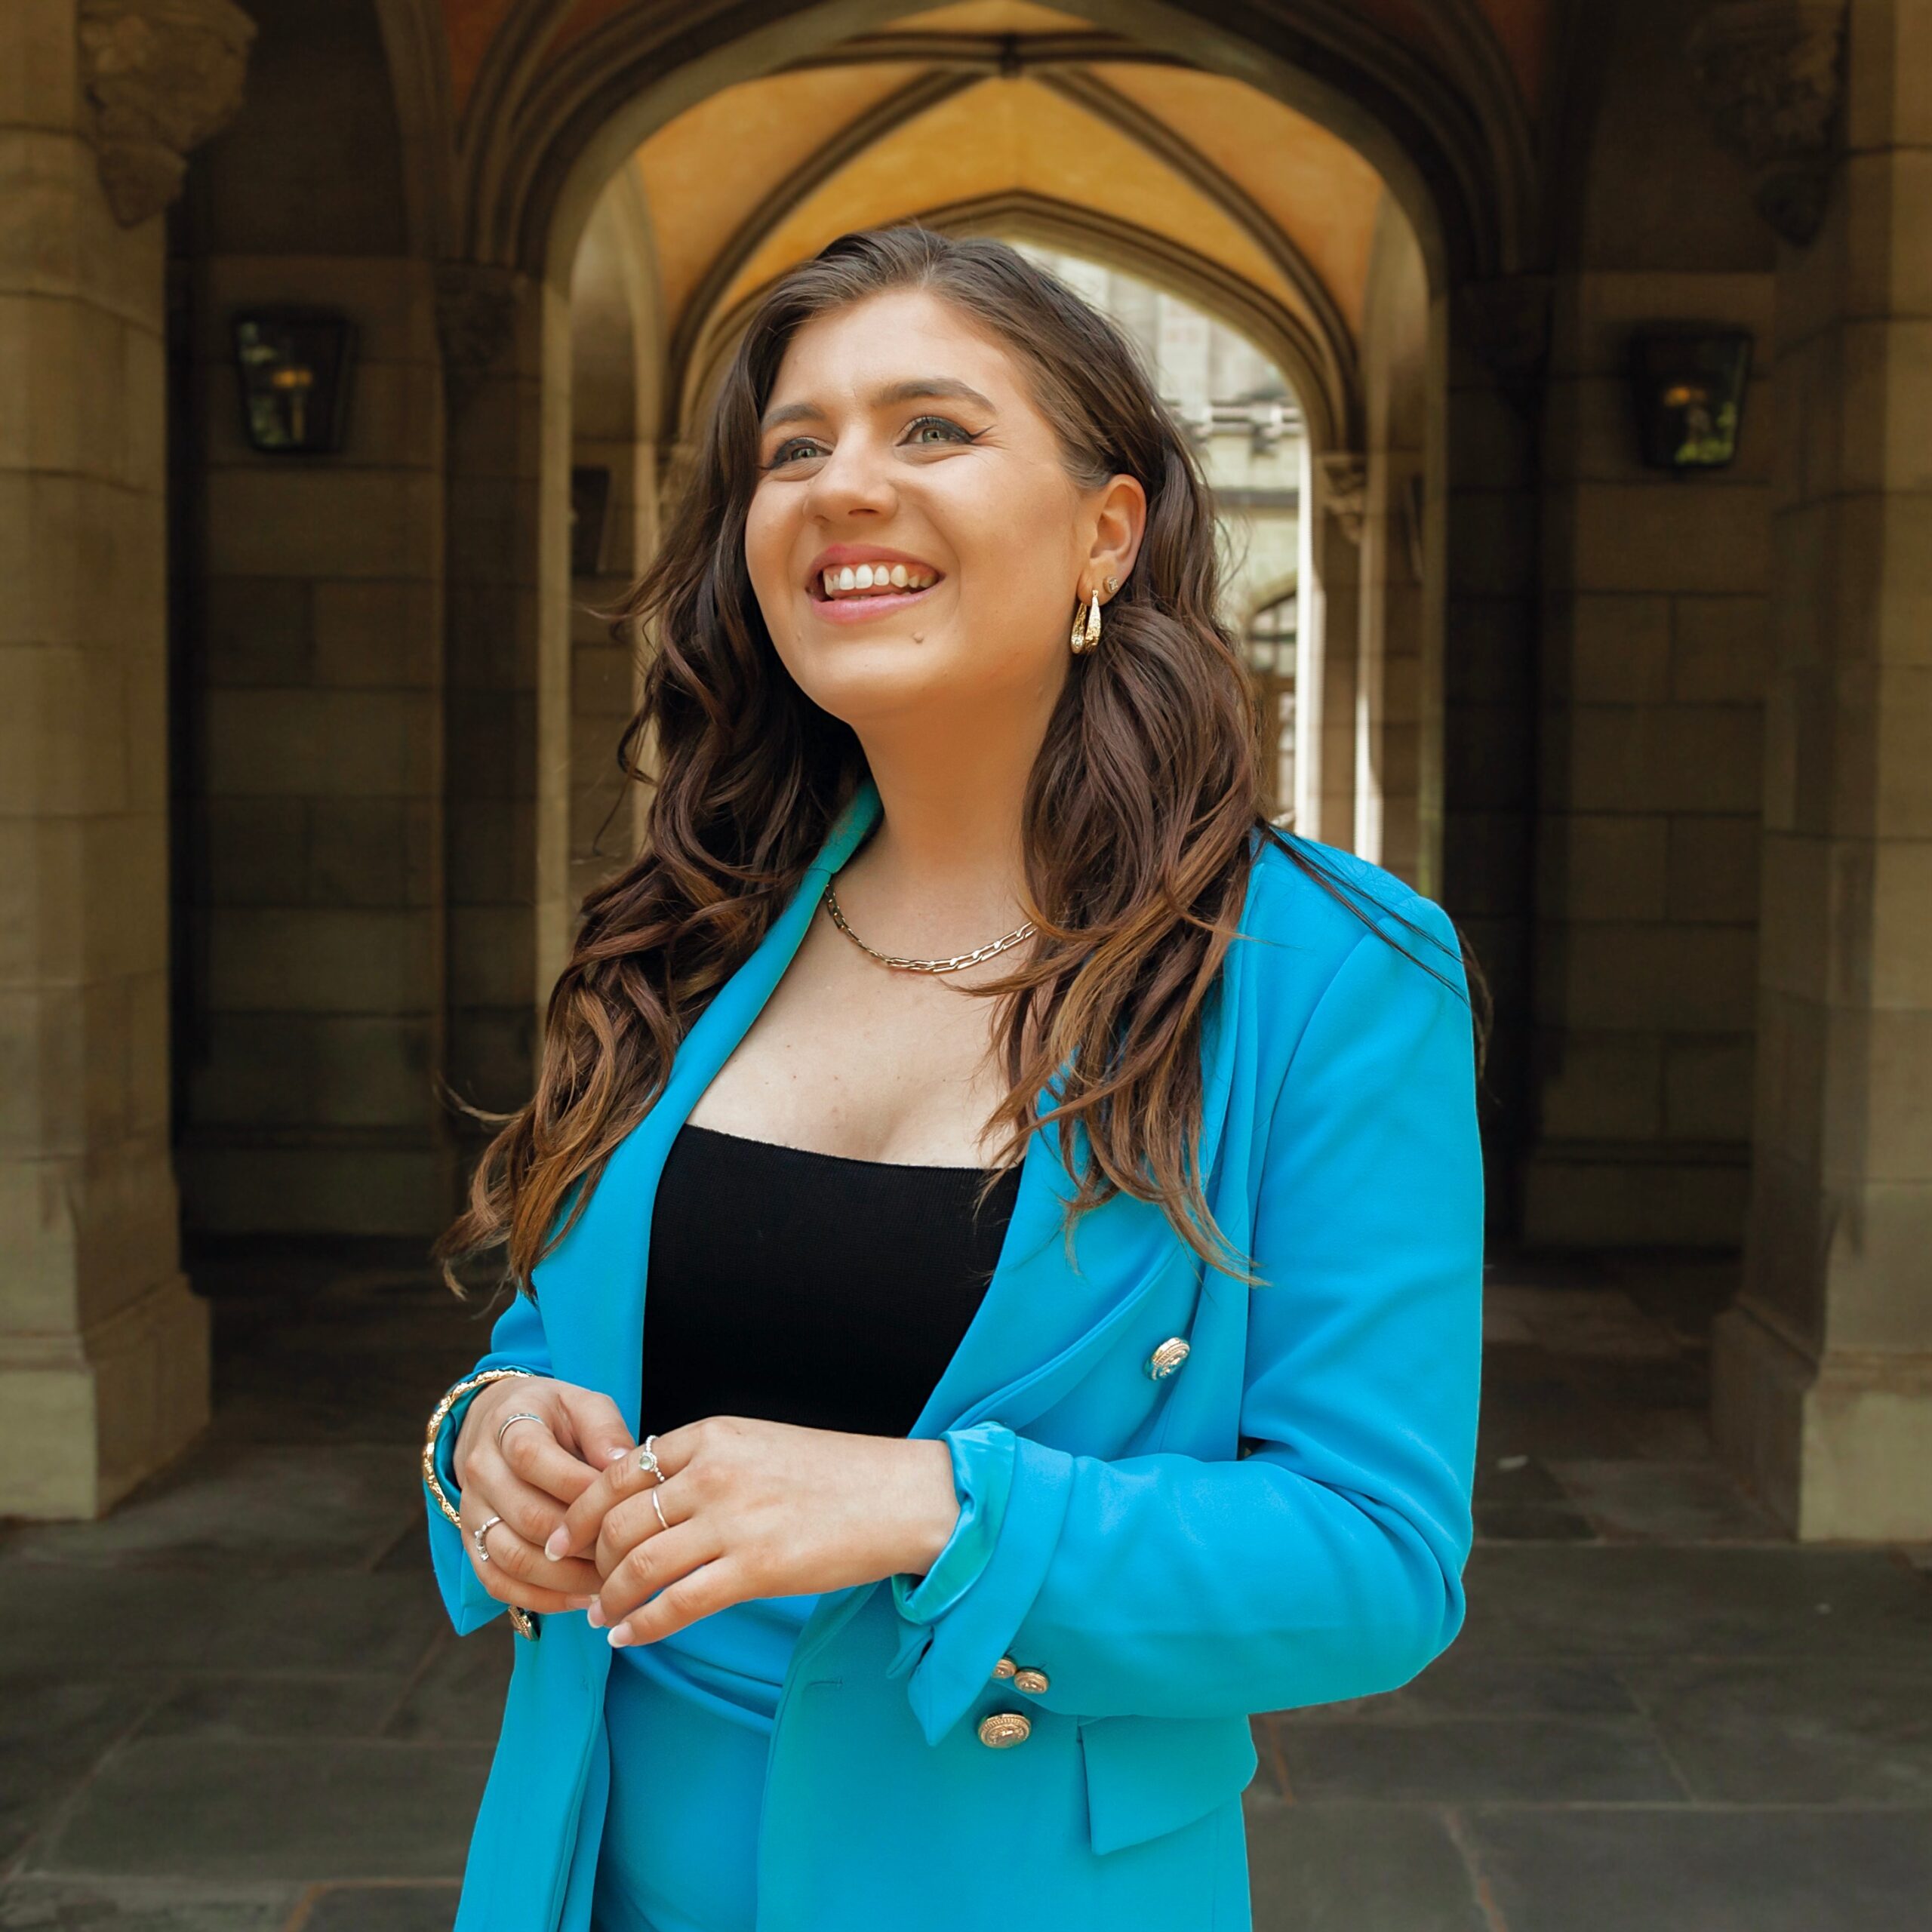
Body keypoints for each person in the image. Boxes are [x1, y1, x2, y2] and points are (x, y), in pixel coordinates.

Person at [419, 224, 1487, 1932]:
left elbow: (1376, 1559)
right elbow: (550, 1342)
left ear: (1105, 531)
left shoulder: (1330, 972)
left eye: (931, 427)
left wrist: (933, 1505)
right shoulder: (692, 926)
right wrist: (492, 1439)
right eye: (794, 447)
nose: (843, 483)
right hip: (587, 1866)